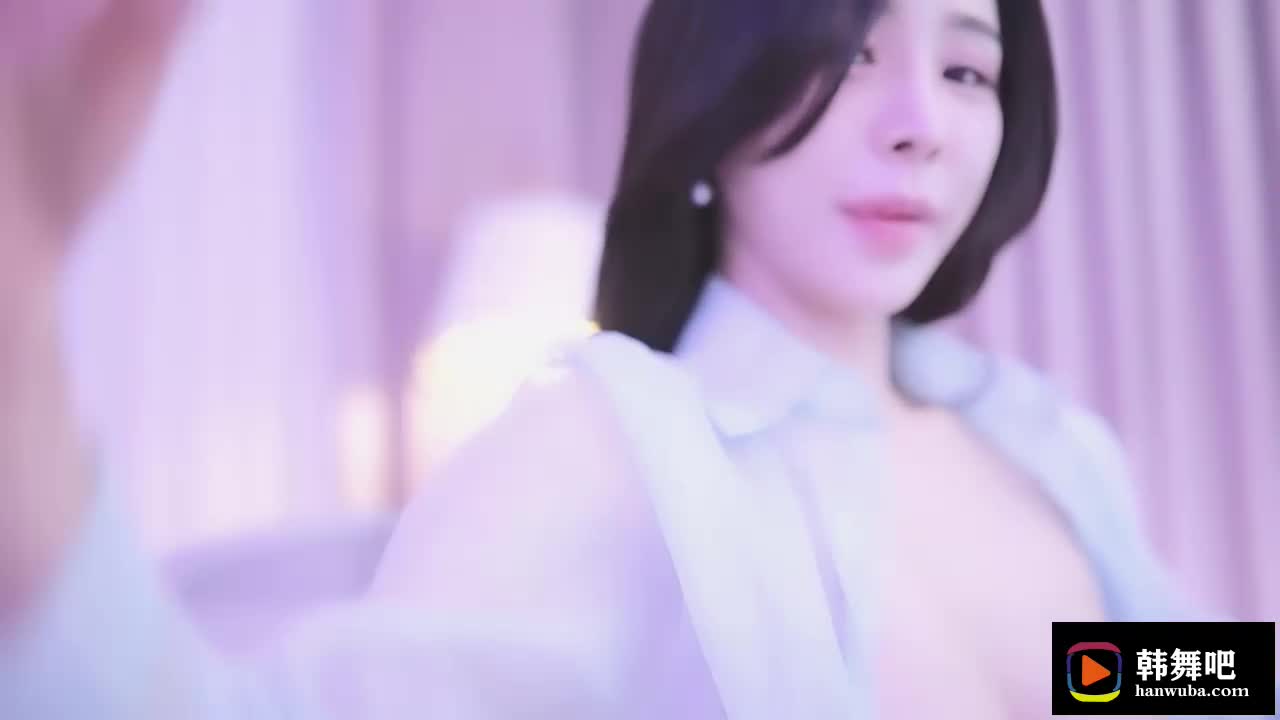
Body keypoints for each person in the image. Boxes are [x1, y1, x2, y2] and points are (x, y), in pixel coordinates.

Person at [0, 0, 1265, 718]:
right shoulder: (605, 449)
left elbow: (1161, 683)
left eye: (966, 69)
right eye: (851, 55)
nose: (918, 125)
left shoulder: (1040, 442)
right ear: (719, 96)